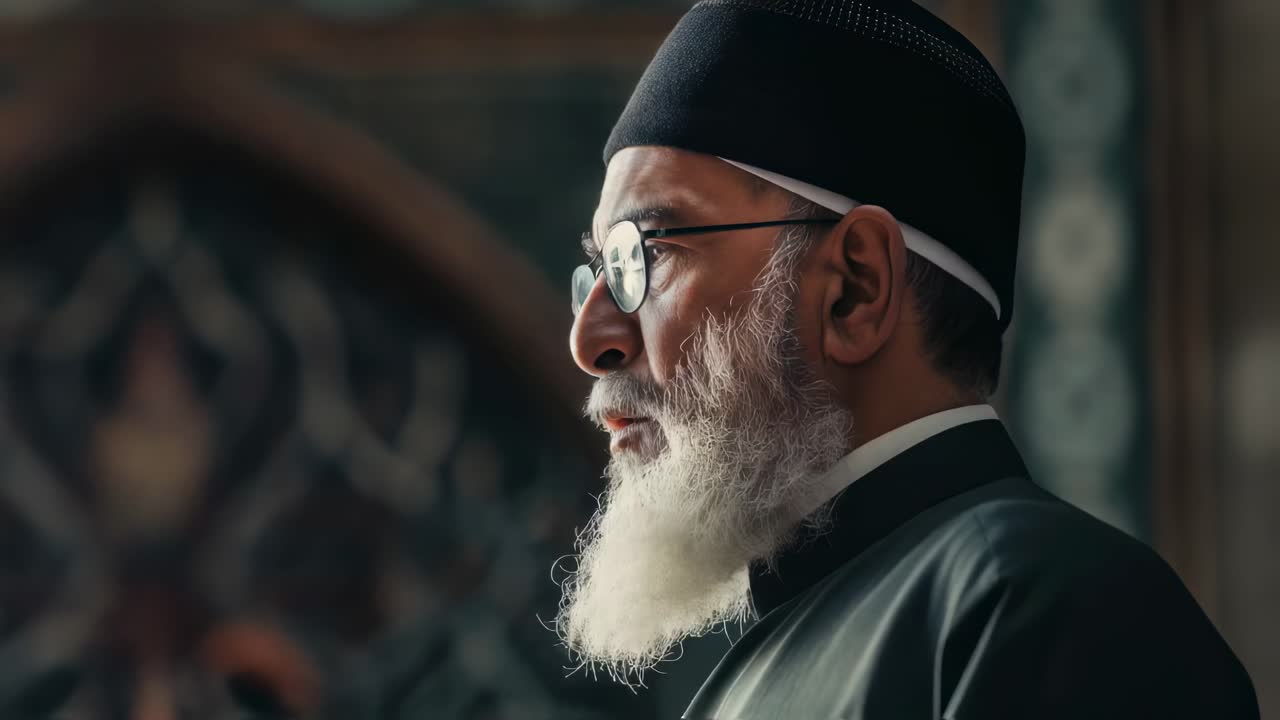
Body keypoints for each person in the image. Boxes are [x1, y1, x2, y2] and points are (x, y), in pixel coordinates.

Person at [553, 0, 1260, 717]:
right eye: (600, 268)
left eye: (647, 253)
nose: (590, 339)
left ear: (855, 288)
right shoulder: (768, 660)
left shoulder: (1043, 608)